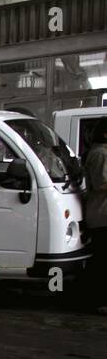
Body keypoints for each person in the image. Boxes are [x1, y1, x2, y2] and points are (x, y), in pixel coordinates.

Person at [82, 125, 107, 310]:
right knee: (101, 262)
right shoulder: (100, 153)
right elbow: (101, 183)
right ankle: (97, 301)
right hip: (100, 215)